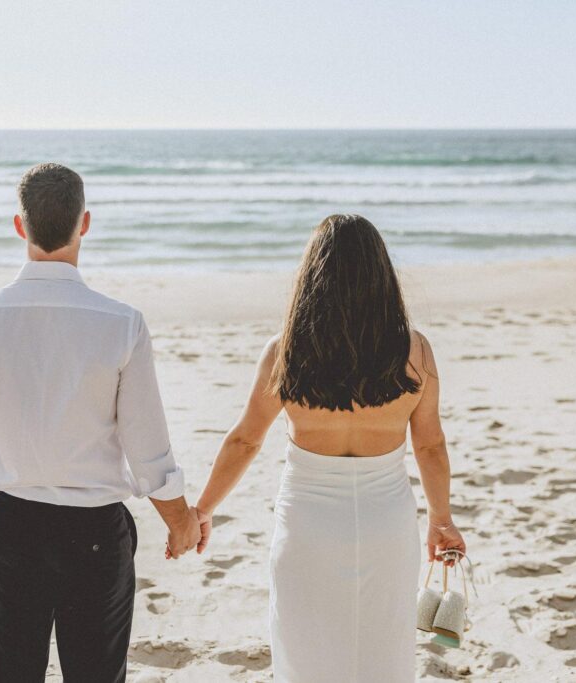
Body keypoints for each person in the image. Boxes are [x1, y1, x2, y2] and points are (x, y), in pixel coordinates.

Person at [0, 162, 202, 683]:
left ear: (19, 225)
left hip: (11, 527)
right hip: (94, 533)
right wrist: (181, 522)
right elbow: (148, 451)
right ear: (85, 223)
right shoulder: (121, 323)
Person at [193, 214, 466, 682]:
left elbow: (245, 439)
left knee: (305, 649)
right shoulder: (414, 351)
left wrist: (202, 509)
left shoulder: (287, 350)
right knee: (382, 651)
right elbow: (431, 445)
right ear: (382, 276)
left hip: (308, 523)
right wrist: (441, 518)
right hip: (386, 520)